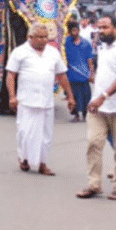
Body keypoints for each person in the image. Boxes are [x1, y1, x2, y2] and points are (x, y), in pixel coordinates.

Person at [6, 23, 75, 176]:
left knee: (46, 135)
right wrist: (12, 96)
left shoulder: (53, 53)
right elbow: (11, 75)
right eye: (40, 37)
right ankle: (24, 158)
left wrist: (70, 96)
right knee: (25, 132)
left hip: (46, 101)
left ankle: (43, 164)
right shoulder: (19, 52)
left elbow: (62, 75)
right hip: (26, 101)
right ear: (30, 37)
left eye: (46, 37)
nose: (44, 40)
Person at [77, 15, 116, 199]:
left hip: (111, 105)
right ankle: (94, 185)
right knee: (93, 143)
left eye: (105, 27)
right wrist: (97, 98)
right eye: (99, 28)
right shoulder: (102, 47)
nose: (101, 31)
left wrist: (103, 97)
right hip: (98, 107)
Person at [65, 20, 95, 122]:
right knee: (73, 96)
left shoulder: (86, 43)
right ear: (69, 32)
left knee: (86, 96)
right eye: (71, 31)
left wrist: (92, 74)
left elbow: (90, 60)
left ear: (78, 30)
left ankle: (87, 115)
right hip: (71, 75)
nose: (74, 32)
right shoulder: (67, 42)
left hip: (84, 75)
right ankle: (76, 115)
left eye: (75, 30)